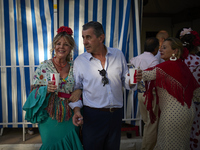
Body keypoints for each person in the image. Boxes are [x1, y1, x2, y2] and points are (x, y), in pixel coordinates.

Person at [71, 21, 142, 150]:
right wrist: (76, 110)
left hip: (115, 116)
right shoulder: (80, 61)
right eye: (83, 37)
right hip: (93, 116)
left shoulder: (118, 55)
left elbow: (125, 80)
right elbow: (76, 89)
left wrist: (132, 80)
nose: (84, 42)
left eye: (88, 37)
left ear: (101, 38)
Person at [23, 26, 84, 150]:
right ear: (54, 46)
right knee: (50, 145)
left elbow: (83, 84)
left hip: (71, 114)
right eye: (58, 43)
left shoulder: (75, 66)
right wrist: (45, 89)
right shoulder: (44, 66)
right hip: (49, 116)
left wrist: (79, 90)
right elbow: (33, 93)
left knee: (71, 144)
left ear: (71, 48)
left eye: (66, 44)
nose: (61, 47)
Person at [139, 37, 200, 149]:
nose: (160, 50)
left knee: (167, 145)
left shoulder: (167, 66)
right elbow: (197, 93)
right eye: (161, 47)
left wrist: (132, 74)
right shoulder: (182, 65)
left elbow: (146, 75)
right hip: (189, 111)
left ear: (175, 51)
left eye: (165, 47)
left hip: (173, 114)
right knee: (182, 145)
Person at [130, 37, 159, 150]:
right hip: (151, 94)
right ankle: (147, 148)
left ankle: (146, 146)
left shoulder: (137, 58)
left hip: (141, 94)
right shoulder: (154, 60)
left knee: (147, 122)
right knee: (151, 123)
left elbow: (132, 63)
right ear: (156, 49)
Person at [180, 28, 200, 150]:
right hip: (197, 99)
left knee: (183, 129)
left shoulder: (180, 62)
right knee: (196, 128)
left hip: (182, 99)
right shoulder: (198, 61)